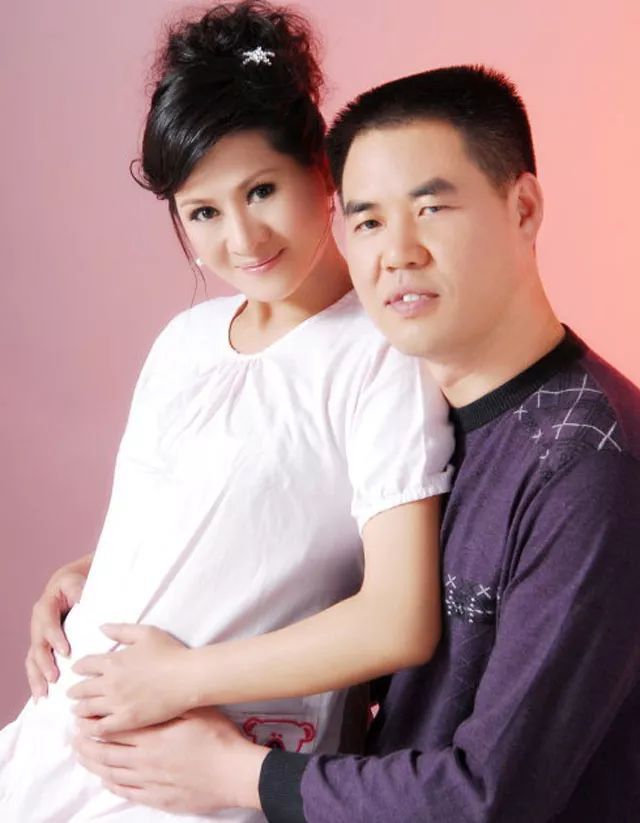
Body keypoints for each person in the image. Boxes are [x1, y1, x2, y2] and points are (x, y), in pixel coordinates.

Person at [70, 65, 640, 821]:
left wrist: (242, 774)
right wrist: (99, 579)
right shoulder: (426, 415)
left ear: (524, 207)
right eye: (368, 221)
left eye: (431, 208)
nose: (397, 252)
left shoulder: (588, 467)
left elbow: (489, 797)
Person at [0, 5, 454, 821]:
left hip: (193, 776)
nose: (242, 239)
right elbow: (222, 526)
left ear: (321, 168)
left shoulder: (380, 354)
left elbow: (399, 617)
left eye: (261, 190)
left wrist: (179, 678)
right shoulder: (186, 340)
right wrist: (86, 577)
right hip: (54, 746)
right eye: (203, 211)